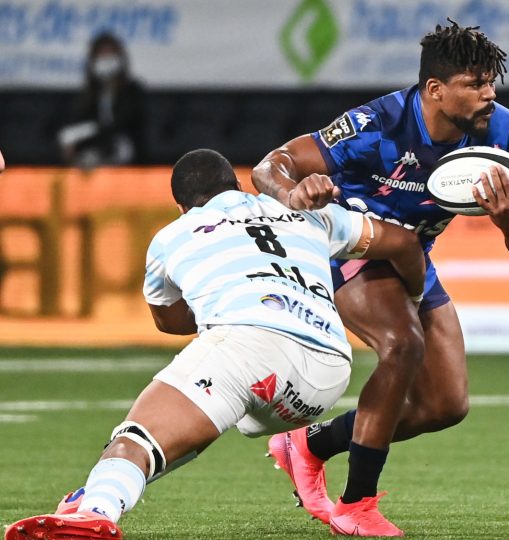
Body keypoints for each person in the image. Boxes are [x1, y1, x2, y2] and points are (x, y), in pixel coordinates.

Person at [3, 149, 426, 540]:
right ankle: (103, 489)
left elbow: (169, 321)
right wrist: (415, 300)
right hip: (326, 376)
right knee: (207, 404)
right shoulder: (306, 212)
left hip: (247, 348)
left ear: (183, 206)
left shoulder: (173, 235)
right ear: (239, 186)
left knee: (137, 437)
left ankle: (94, 509)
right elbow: (405, 244)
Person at [252, 19, 509, 537]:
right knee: (401, 343)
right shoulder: (376, 124)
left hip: (412, 256)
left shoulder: (504, 134)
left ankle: (307, 445)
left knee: (445, 405)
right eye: (475, 84)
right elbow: (270, 166)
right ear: (435, 89)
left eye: (491, 82)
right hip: (348, 243)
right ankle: (356, 504)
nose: (489, 94)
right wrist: (292, 195)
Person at [58, 32, 146, 168]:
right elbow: (77, 122)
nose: (106, 59)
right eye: (101, 55)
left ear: (120, 58)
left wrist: (85, 132)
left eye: (110, 54)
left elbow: (121, 124)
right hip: (94, 154)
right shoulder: (89, 94)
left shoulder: (133, 91)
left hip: (127, 155)